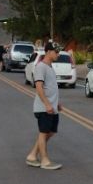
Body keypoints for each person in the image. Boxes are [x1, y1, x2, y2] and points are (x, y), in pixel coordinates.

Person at [25, 41, 63, 170]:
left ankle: (32, 155)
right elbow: (39, 87)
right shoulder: (41, 67)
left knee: (50, 132)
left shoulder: (49, 67)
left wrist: (56, 103)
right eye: (55, 52)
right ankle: (45, 161)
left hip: (52, 107)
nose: (58, 54)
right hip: (44, 107)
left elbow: (51, 87)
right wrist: (47, 104)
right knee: (43, 132)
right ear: (48, 52)